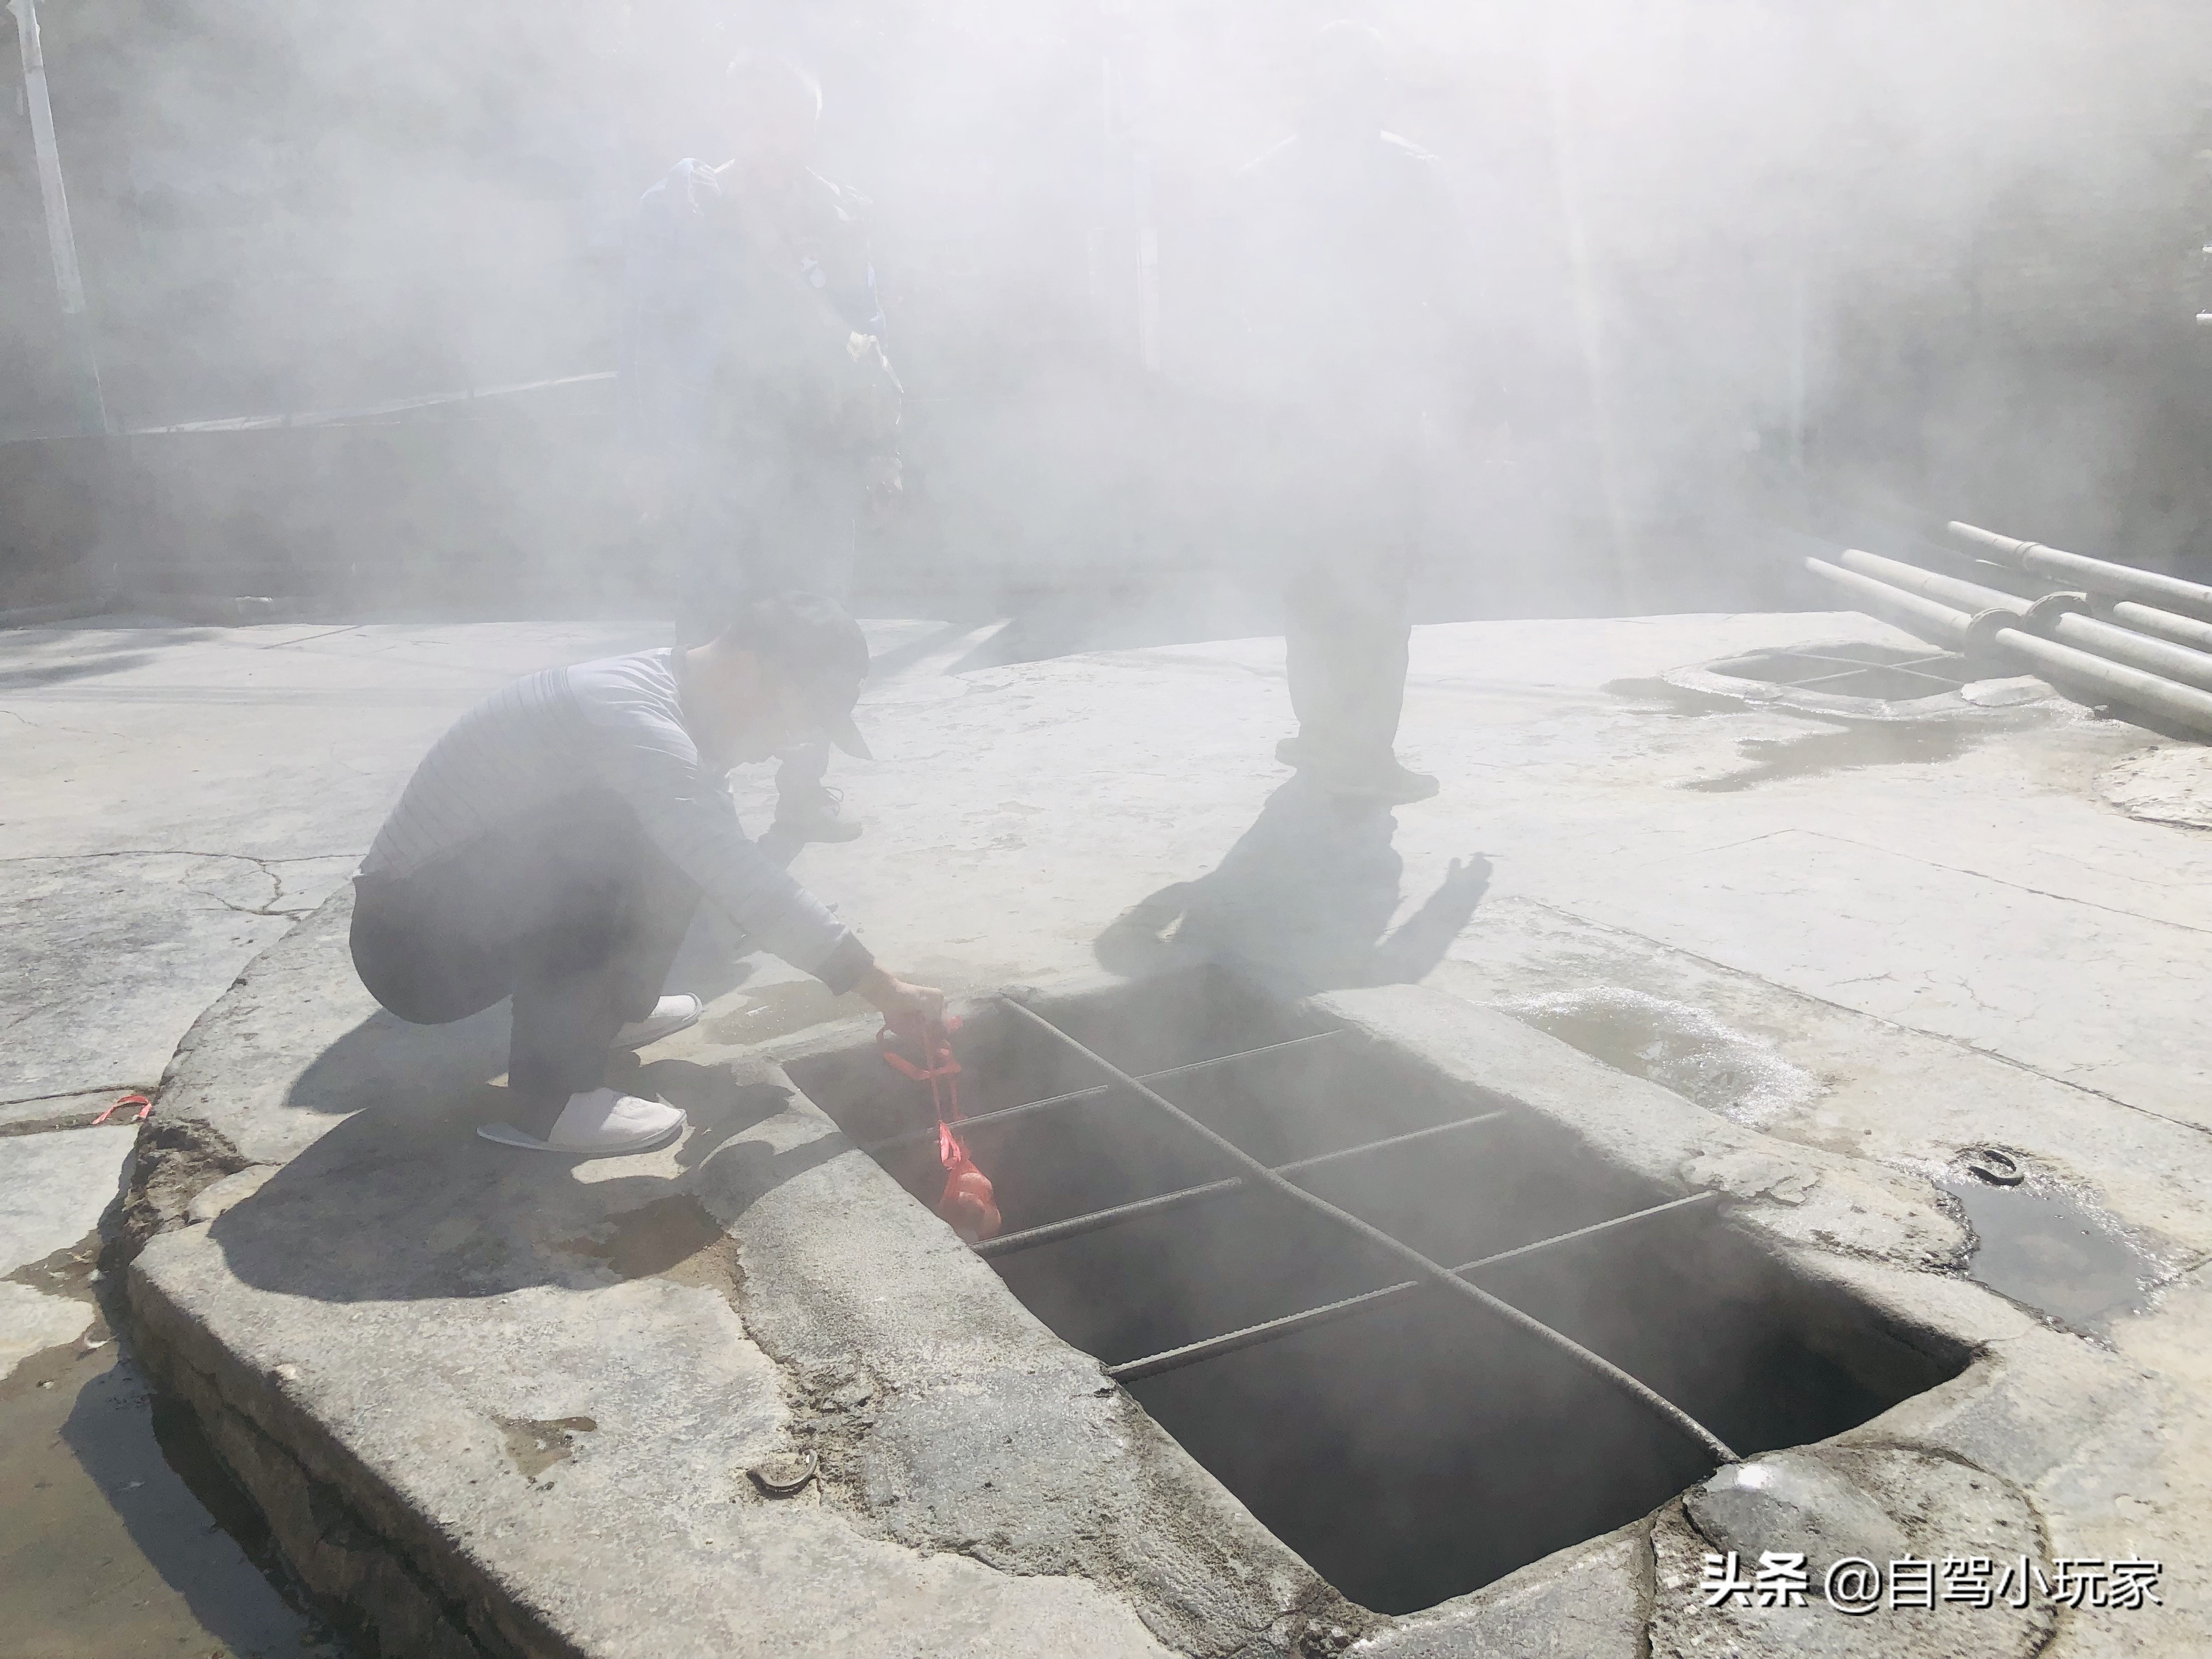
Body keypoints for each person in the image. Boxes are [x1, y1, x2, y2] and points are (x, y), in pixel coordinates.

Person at [349, 590, 942, 1156]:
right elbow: (734, 871)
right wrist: (879, 986)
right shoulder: (631, 719)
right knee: (621, 834)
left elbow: (724, 863)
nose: (787, 745)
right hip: (411, 947)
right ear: (745, 670)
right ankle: (550, 1100)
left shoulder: (672, 704)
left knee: (683, 833)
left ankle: (613, 1008)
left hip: (455, 919)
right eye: (798, 719)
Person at [619, 52, 900, 844]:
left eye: (797, 122)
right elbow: (645, 335)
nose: (783, 138)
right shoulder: (680, 209)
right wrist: (646, 452)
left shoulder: (839, 214)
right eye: (765, 119)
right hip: (717, 452)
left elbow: (867, 338)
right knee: (709, 624)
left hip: (820, 453)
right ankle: (693, 799)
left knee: (820, 623)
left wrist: (884, 450)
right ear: (734, 123)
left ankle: (804, 791)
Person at [1223, 21, 1472, 803]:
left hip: (1303, 418)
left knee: (1316, 584)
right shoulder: (1412, 176)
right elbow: (1455, 300)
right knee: (1374, 587)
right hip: (1375, 417)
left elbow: (1232, 308)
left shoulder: (1265, 178)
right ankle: (1358, 749)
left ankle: (1327, 735)